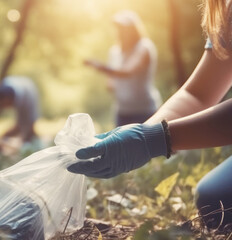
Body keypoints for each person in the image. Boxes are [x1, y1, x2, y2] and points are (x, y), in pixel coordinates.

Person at [68, 0, 232, 228]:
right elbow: (199, 94)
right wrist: (145, 133)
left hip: (142, 104)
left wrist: (156, 139)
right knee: (215, 200)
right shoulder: (227, 10)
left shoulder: (143, 47)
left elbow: (128, 72)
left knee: (220, 202)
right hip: (125, 108)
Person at [84, 10, 161, 126]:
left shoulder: (144, 47)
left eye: (124, 28)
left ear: (134, 29)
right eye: (118, 28)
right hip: (122, 113)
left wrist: (99, 67)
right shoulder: (114, 52)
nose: (120, 31)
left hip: (145, 112)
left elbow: (128, 71)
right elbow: (111, 83)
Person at [0, 76, 39, 142]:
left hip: (29, 91)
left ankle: (32, 143)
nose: (5, 107)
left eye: (6, 104)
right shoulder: (2, 90)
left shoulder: (26, 98)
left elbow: (24, 126)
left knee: (29, 131)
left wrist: (3, 137)